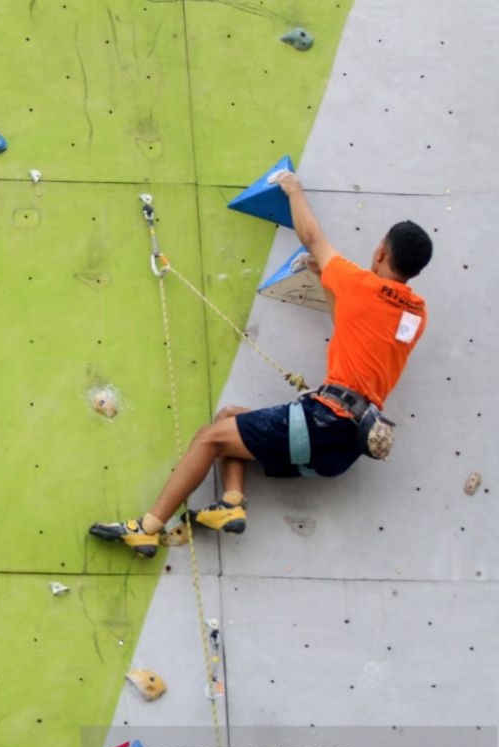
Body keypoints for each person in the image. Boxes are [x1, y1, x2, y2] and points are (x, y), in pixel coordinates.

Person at [89, 170, 433, 557]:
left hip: (326, 421)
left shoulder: (360, 283)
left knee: (207, 437)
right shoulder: (416, 315)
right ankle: (230, 504)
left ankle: (147, 527)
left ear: (381, 252)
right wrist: (325, 280)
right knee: (229, 418)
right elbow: (349, 326)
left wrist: (293, 190)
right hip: (349, 444)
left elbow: (313, 238)